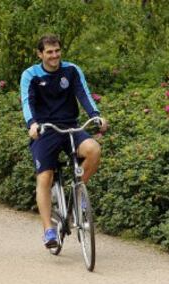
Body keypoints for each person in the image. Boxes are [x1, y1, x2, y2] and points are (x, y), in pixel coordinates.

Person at [20, 35, 108, 248]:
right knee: (45, 177)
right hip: (45, 130)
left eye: (57, 50)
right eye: (49, 52)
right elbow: (27, 102)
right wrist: (32, 123)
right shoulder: (30, 75)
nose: (54, 55)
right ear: (40, 54)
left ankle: (78, 192)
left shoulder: (72, 70)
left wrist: (95, 115)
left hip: (71, 126)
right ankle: (48, 230)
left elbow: (83, 94)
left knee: (93, 150)